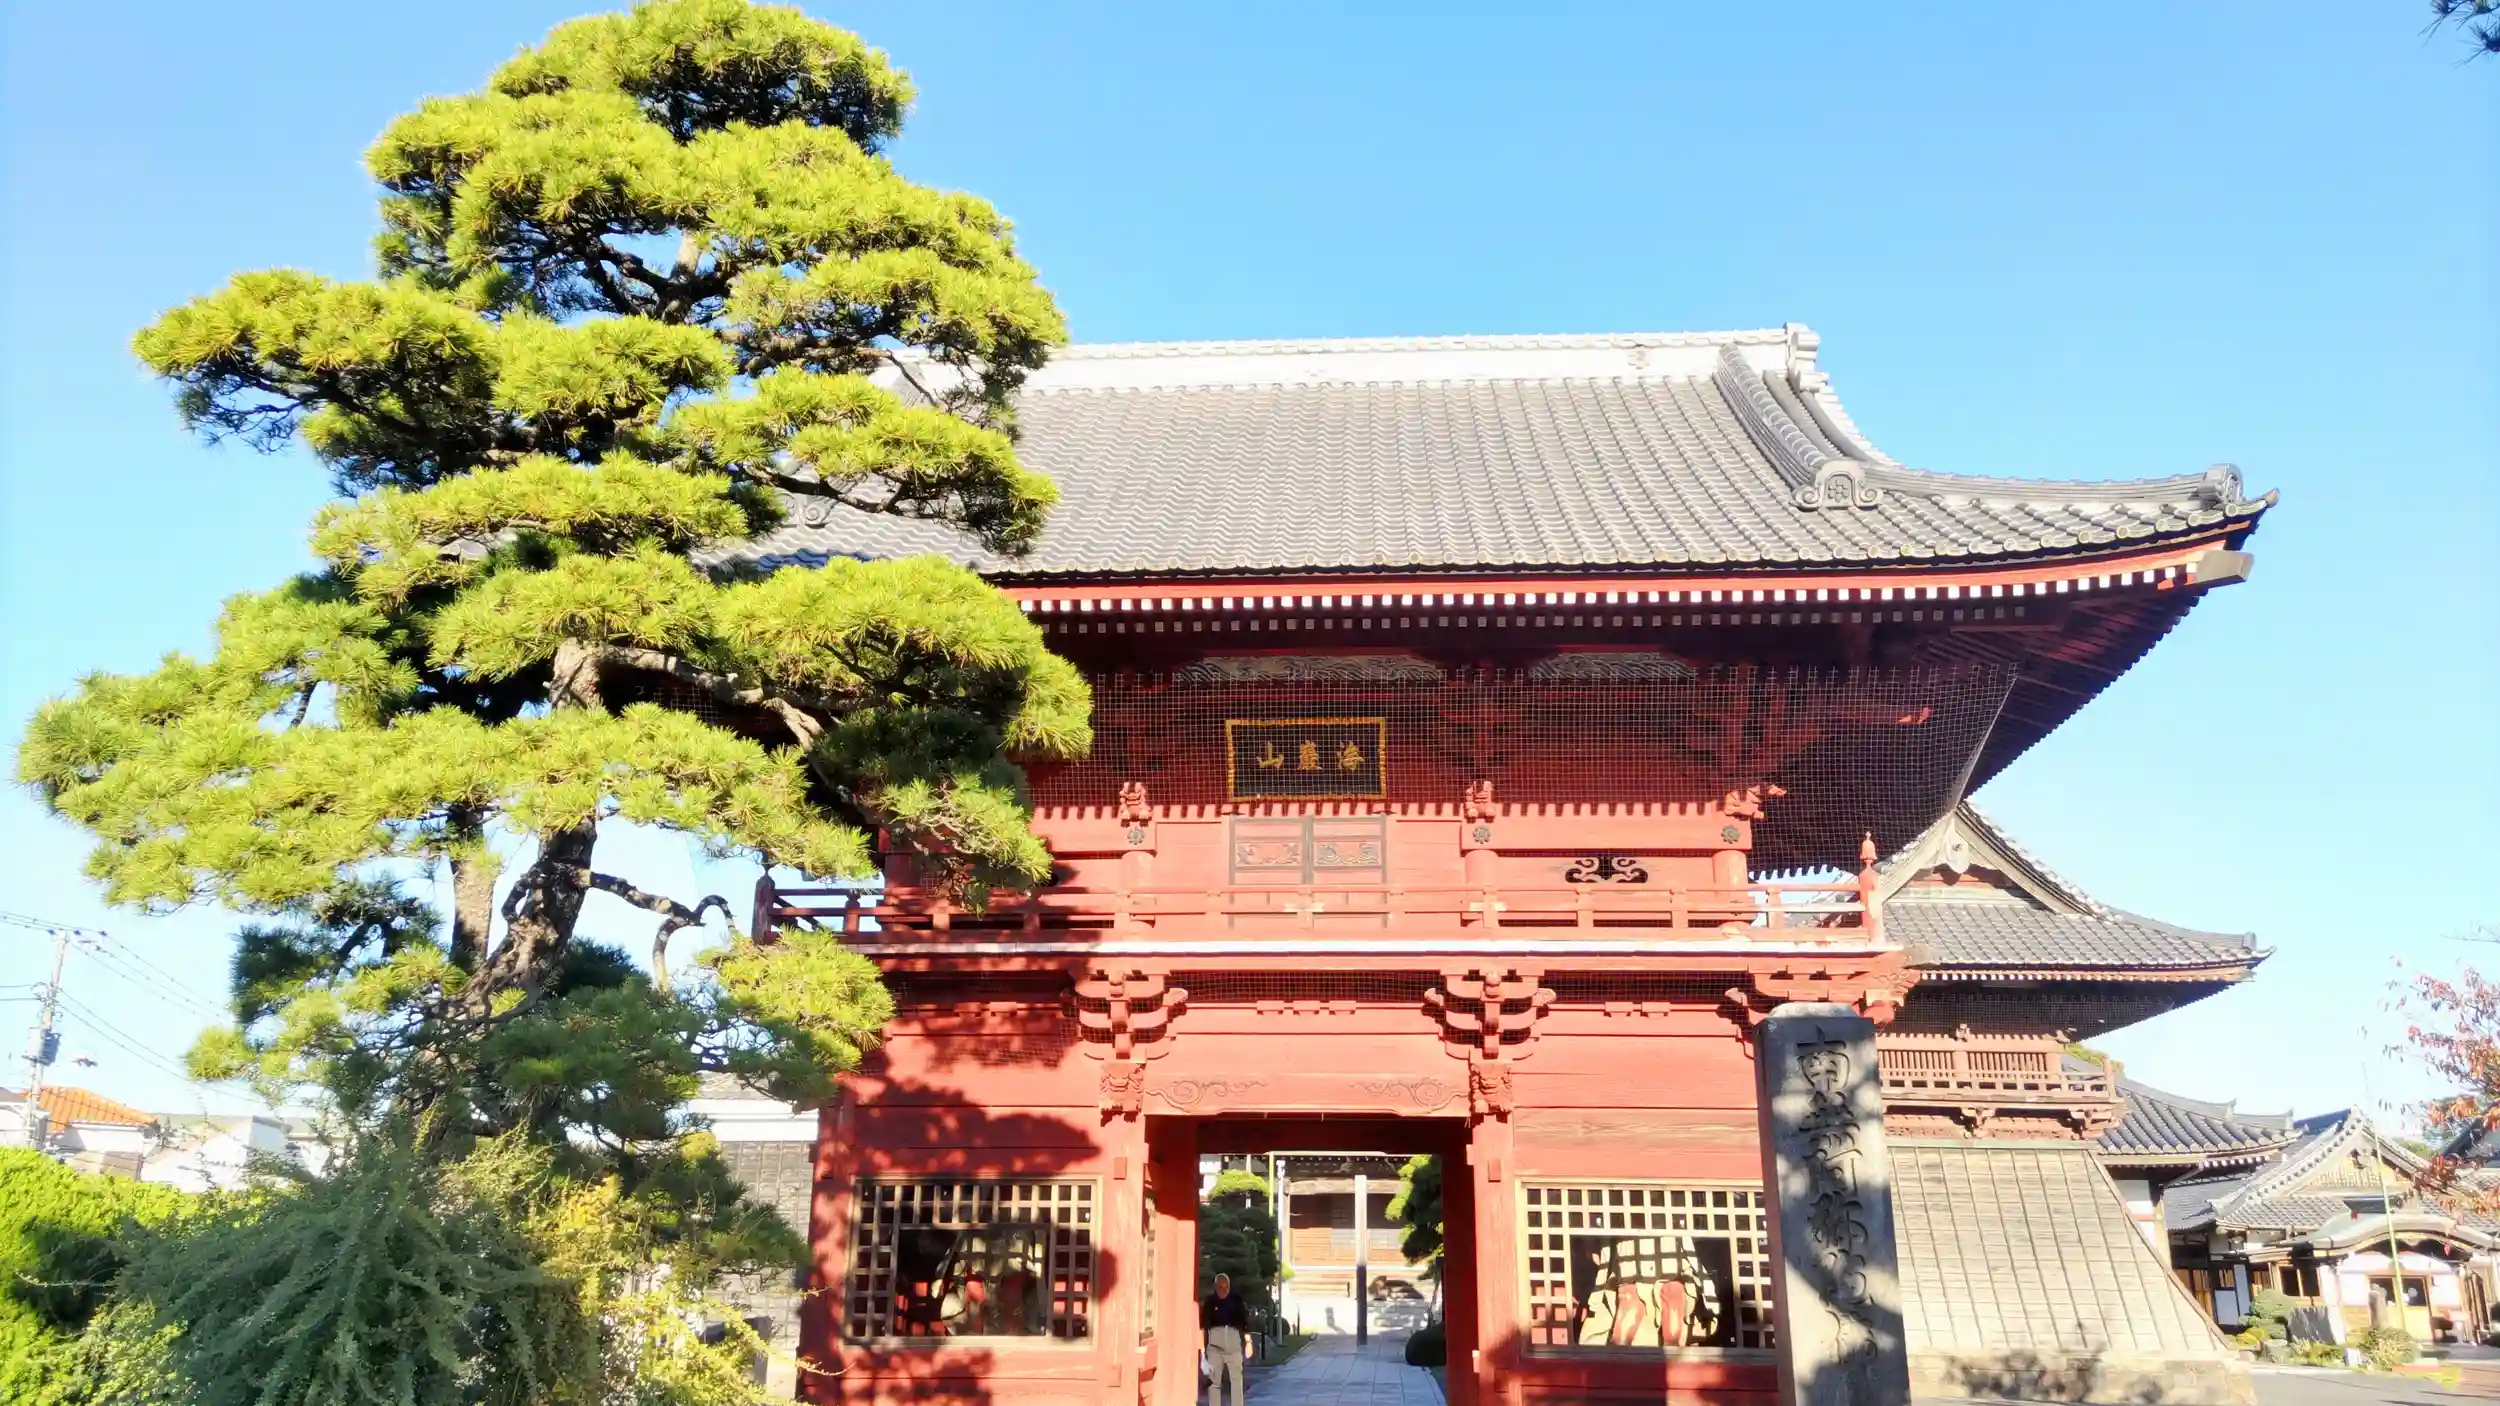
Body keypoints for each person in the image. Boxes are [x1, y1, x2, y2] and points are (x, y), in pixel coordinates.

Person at [1201, 1272, 1249, 1406]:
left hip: (1233, 1346)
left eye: (1226, 1286)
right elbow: (1203, 1327)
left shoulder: (1236, 1300)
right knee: (1214, 1382)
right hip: (1214, 1348)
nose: (1224, 1290)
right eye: (1221, 1287)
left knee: (1236, 1381)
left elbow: (1243, 1322)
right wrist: (1202, 1349)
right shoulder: (1210, 1302)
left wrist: (1248, 1342)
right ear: (1216, 1287)